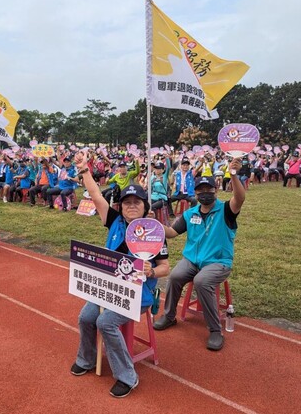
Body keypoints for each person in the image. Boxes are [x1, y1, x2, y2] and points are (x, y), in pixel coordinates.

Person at [70, 150, 170, 398]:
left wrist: (151, 270)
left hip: (140, 293)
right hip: (108, 288)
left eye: (137, 202)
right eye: (127, 202)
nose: (132, 206)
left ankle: (127, 376)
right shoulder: (114, 220)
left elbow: (165, 267)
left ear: (145, 206)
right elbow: (94, 194)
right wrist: (84, 170)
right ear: (121, 206)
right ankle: (87, 358)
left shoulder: (154, 231)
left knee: (105, 322)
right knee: (85, 317)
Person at [153, 158, 245, 351]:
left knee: (202, 281)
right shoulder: (190, 213)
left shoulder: (226, 209)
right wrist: (154, 224)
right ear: (195, 193)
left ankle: (214, 330)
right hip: (192, 261)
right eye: (200, 191)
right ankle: (169, 316)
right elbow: (171, 232)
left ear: (216, 191)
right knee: (175, 276)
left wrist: (234, 175)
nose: (204, 194)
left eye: (208, 190)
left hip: (218, 262)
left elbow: (240, 198)